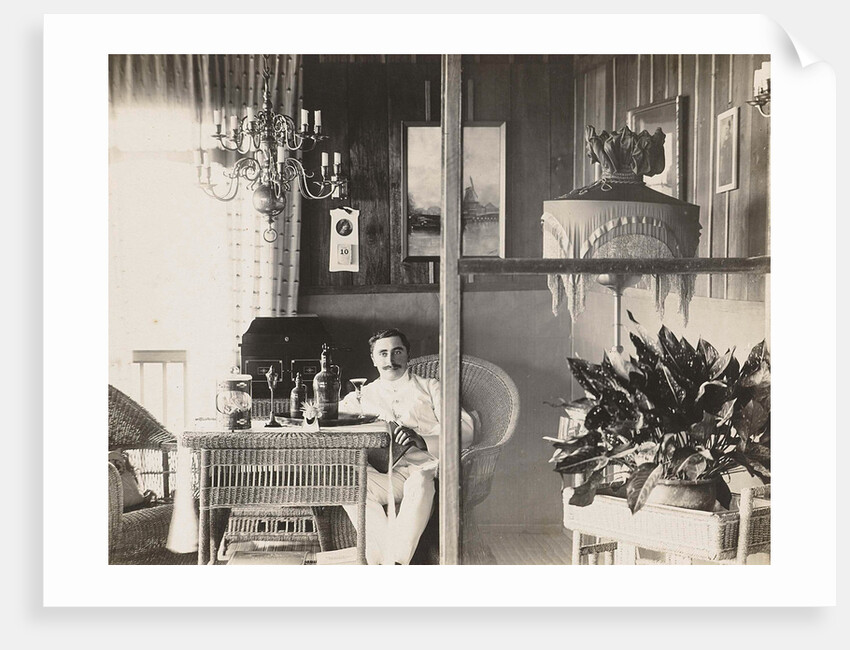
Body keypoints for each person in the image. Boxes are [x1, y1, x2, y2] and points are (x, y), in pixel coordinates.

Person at [338, 328, 474, 565]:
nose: (390, 361)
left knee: (420, 482)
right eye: (383, 354)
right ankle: (389, 563)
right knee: (348, 486)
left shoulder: (431, 387)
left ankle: (392, 563)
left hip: (426, 468)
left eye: (396, 351)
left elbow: (466, 431)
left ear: (407, 355)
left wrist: (423, 440)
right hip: (385, 473)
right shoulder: (362, 395)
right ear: (373, 359)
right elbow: (335, 424)